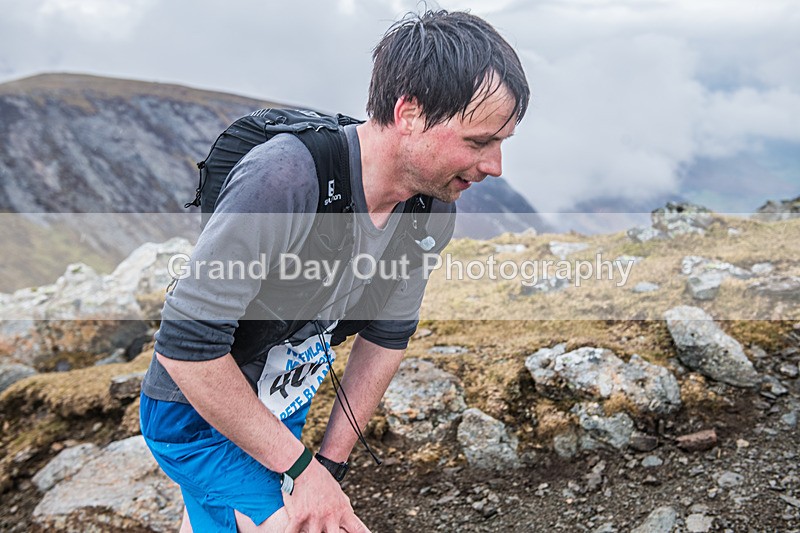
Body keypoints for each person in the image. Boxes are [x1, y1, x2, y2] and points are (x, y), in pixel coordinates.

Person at [140, 9, 529, 533]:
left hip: (281, 406)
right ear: (409, 112)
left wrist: (329, 465)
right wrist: (301, 470)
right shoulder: (285, 179)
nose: (495, 166)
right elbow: (186, 349)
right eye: (479, 142)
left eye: (502, 143)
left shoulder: (429, 212)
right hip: (194, 417)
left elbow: (386, 337)